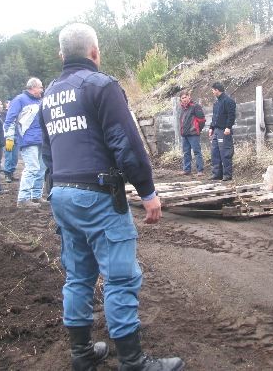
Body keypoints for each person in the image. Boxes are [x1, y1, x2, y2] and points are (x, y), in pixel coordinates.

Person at [40, 22, 183, 371]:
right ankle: (133, 362)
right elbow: (128, 145)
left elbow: (48, 152)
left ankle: (82, 355)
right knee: (120, 277)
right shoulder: (101, 87)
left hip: (62, 195)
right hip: (98, 197)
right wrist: (148, 191)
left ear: (61, 56)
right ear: (95, 52)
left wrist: (52, 192)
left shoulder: (48, 95)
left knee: (78, 276)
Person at [3, 78, 47, 208]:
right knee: (32, 168)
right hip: (28, 140)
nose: (42, 90)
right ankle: (23, 198)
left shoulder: (40, 101)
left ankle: (36, 195)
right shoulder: (19, 100)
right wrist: (9, 137)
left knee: (42, 168)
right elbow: (9, 120)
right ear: (33, 87)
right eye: (40, 87)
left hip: (41, 139)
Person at [208, 82, 236, 181]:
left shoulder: (228, 101)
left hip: (224, 131)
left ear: (217, 90)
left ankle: (227, 175)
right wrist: (211, 127)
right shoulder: (216, 103)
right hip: (216, 130)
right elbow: (214, 117)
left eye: (213, 90)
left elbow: (231, 115)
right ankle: (217, 174)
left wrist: (228, 127)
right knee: (215, 152)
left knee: (225, 152)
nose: (212, 92)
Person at [179, 90, 205, 176]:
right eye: (182, 98)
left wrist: (197, 129)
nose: (184, 99)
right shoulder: (183, 108)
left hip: (193, 134)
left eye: (185, 97)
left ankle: (200, 170)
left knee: (197, 152)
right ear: (181, 99)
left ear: (189, 97)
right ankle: (187, 170)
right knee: (186, 152)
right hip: (185, 135)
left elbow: (202, 120)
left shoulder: (195, 106)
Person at [1, 99, 19, 183]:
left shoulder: (17, 113)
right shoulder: (4, 114)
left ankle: (11, 173)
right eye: (8, 103)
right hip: (9, 138)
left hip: (16, 137)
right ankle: (7, 174)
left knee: (15, 156)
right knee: (9, 155)